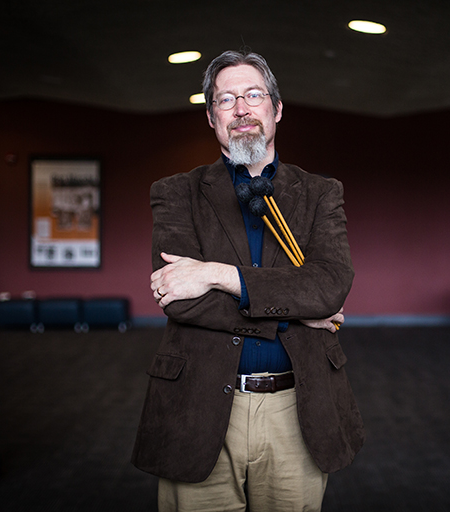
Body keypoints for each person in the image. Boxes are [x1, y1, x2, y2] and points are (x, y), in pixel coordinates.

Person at [131, 50, 364, 512]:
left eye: (254, 95)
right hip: (197, 407)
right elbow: (181, 300)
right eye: (225, 99)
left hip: (296, 407)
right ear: (211, 118)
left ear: (276, 109)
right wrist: (295, 315)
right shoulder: (175, 192)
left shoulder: (320, 193)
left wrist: (216, 275)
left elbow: (330, 285)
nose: (241, 108)